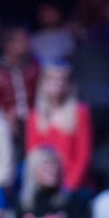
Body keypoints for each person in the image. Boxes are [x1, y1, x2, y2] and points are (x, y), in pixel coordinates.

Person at [26, 63, 93, 191]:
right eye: (52, 79)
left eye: (62, 79)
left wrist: (68, 186)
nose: (57, 83)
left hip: (74, 186)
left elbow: (83, 155)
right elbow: (33, 157)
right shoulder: (34, 117)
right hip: (44, 187)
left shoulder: (80, 113)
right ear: (43, 83)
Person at [0, 24, 41, 135]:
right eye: (23, 39)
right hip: (2, 129)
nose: (29, 42)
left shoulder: (37, 67)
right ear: (9, 45)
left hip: (35, 125)